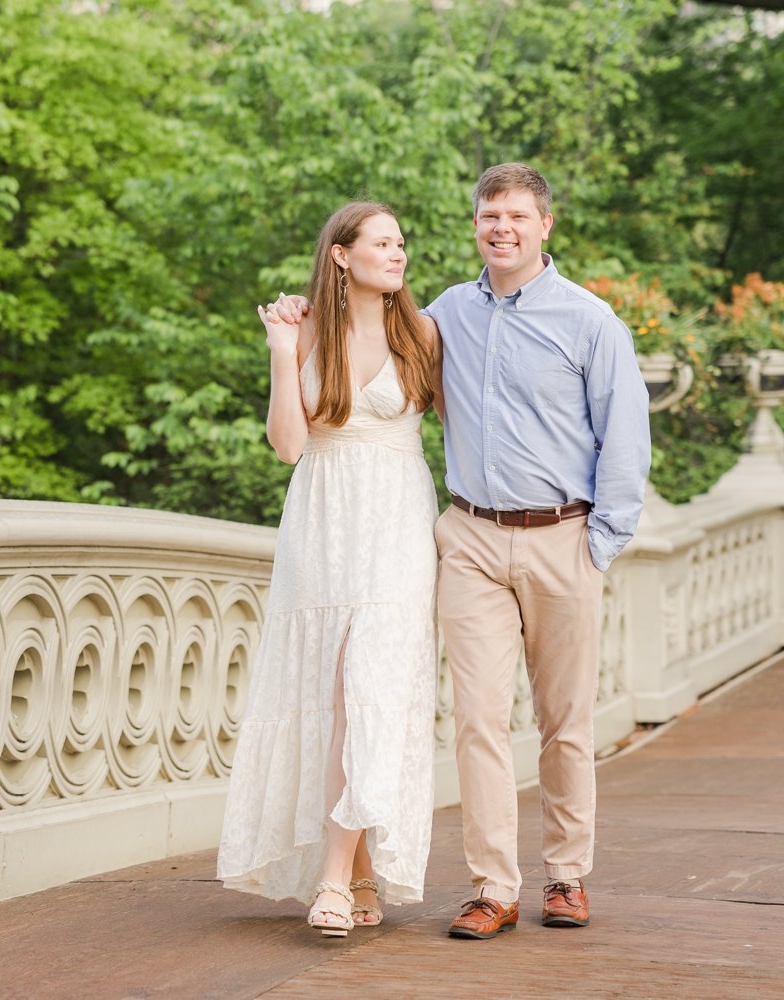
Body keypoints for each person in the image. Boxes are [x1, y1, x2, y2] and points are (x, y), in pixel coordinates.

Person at [266, 164, 650, 939]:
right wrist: (299, 327)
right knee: (475, 720)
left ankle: (566, 876)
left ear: (546, 226)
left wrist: (599, 543)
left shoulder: (590, 322)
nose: (500, 227)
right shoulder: (439, 317)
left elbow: (626, 438)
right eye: (487, 215)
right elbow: (364, 366)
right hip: (469, 536)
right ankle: (493, 887)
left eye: (515, 215)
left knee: (564, 721)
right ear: (475, 224)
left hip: (563, 536)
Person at [215, 201, 442, 938]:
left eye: (401, 242)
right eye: (382, 242)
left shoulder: (424, 333)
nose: (397, 252)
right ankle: (361, 870)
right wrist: (283, 349)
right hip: (322, 525)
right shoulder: (308, 328)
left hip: (398, 525)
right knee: (336, 693)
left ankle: (334, 879)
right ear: (341, 254)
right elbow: (287, 446)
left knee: (370, 689)